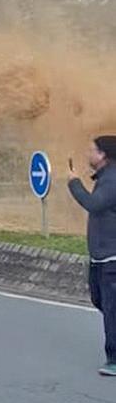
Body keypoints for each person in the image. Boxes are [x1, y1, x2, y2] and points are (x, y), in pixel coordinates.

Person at [68, 135, 116, 377]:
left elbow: (94, 204)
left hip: (112, 259)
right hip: (100, 257)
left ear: (103, 155)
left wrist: (74, 183)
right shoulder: (105, 178)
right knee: (101, 301)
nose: (88, 153)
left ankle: (114, 360)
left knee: (111, 308)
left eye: (92, 150)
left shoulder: (112, 181)